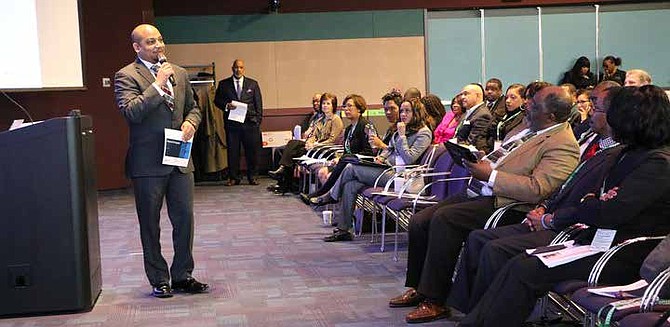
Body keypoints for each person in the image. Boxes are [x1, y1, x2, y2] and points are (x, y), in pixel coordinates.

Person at [460, 85, 670, 327]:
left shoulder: (658, 162)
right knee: (520, 264)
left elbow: (608, 212)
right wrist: (597, 202)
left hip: (623, 255)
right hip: (597, 240)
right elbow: (600, 203)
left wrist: (594, 202)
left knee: (526, 271)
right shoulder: (631, 153)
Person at [388, 86, 580, 324]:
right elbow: (506, 158)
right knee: (420, 220)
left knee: (445, 219)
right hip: (481, 191)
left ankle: (436, 300)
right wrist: (480, 158)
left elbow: (538, 188)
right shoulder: (527, 129)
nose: (527, 106)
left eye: (534, 105)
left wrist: (490, 176)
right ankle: (420, 287)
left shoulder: (563, 143)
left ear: (551, 115)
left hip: (507, 204)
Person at [447, 81, 623, 315]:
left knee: (494, 249)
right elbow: (567, 186)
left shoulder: (615, 153)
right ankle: (470, 311)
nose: (589, 110)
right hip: (550, 210)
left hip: (572, 227)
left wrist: (550, 216)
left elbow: (569, 193)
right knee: (477, 237)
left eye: (595, 106)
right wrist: (544, 208)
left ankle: (480, 316)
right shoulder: (589, 139)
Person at [114, 24, 208, 298]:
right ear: (137, 47)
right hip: (147, 164)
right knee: (150, 224)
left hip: (179, 159)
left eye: (160, 40)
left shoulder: (178, 72)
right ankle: (159, 278)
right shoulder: (126, 75)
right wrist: (157, 85)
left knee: (185, 221)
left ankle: (182, 275)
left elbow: (193, 107)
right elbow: (132, 112)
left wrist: (191, 122)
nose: (158, 45)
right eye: (151, 41)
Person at [314, 98, 433, 242]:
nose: (403, 114)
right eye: (402, 111)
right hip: (386, 169)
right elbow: (389, 149)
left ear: (417, 113)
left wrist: (402, 136)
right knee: (350, 185)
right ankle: (343, 230)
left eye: (407, 111)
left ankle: (331, 196)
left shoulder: (423, 133)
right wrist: (381, 158)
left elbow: (409, 159)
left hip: (400, 176)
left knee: (350, 168)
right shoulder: (402, 127)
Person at [268, 93, 343, 194]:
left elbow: (332, 140)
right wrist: (309, 143)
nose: (325, 106)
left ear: (333, 106)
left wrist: (316, 144)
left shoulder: (336, 120)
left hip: (325, 149)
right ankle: (284, 180)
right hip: (315, 148)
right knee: (292, 146)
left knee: (293, 150)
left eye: (328, 103)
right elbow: (313, 135)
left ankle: (283, 177)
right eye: (323, 103)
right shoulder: (320, 120)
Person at [214, 59, 263, 186]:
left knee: (252, 151)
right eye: (236, 67)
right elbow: (217, 100)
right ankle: (234, 177)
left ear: (244, 69)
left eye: (241, 67)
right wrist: (226, 105)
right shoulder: (224, 84)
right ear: (232, 68)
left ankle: (253, 176)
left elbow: (259, 104)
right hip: (232, 124)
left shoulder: (253, 84)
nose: (238, 70)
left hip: (250, 123)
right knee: (233, 151)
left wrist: (258, 121)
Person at [454, 83, 494, 153]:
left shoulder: (483, 115)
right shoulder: (467, 113)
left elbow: (472, 143)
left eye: (466, 94)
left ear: (477, 96)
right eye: (462, 94)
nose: (462, 97)